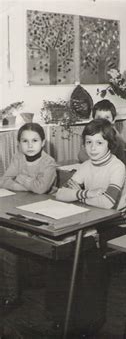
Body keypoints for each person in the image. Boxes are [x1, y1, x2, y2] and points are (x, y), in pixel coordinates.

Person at [53, 119, 126, 334]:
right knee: (63, 255)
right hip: (89, 221)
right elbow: (61, 193)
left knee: (89, 261)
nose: (93, 148)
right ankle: (61, 314)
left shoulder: (117, 167)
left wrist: (79, 198)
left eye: (99, 143)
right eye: (89, 143)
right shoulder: (86, 166)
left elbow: (107, 203)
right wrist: (85, 193)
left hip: (113, 225)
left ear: (109, 144)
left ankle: (91, 320)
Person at [0, 123, 57, 308]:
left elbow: (41, 189)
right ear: (19, 144)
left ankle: (20, 288)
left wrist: (22, 179)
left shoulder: (48, 162)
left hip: (44, 212)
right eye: (25, 141)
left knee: (13, 240)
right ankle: (11, 292)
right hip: (20, 207)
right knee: (5, 240)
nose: (30, 145)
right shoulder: (18, 157)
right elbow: (5, 180)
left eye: (34, 140)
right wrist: (28, 184)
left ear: (43, 142)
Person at [78, 99, 126, 164]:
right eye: (99, 118)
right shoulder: (89, 134)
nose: (103, 122)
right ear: (93, 119)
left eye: (107, 118)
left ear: (113, 120)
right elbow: (81, 155)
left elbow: (119, 162)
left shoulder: (117, 139)